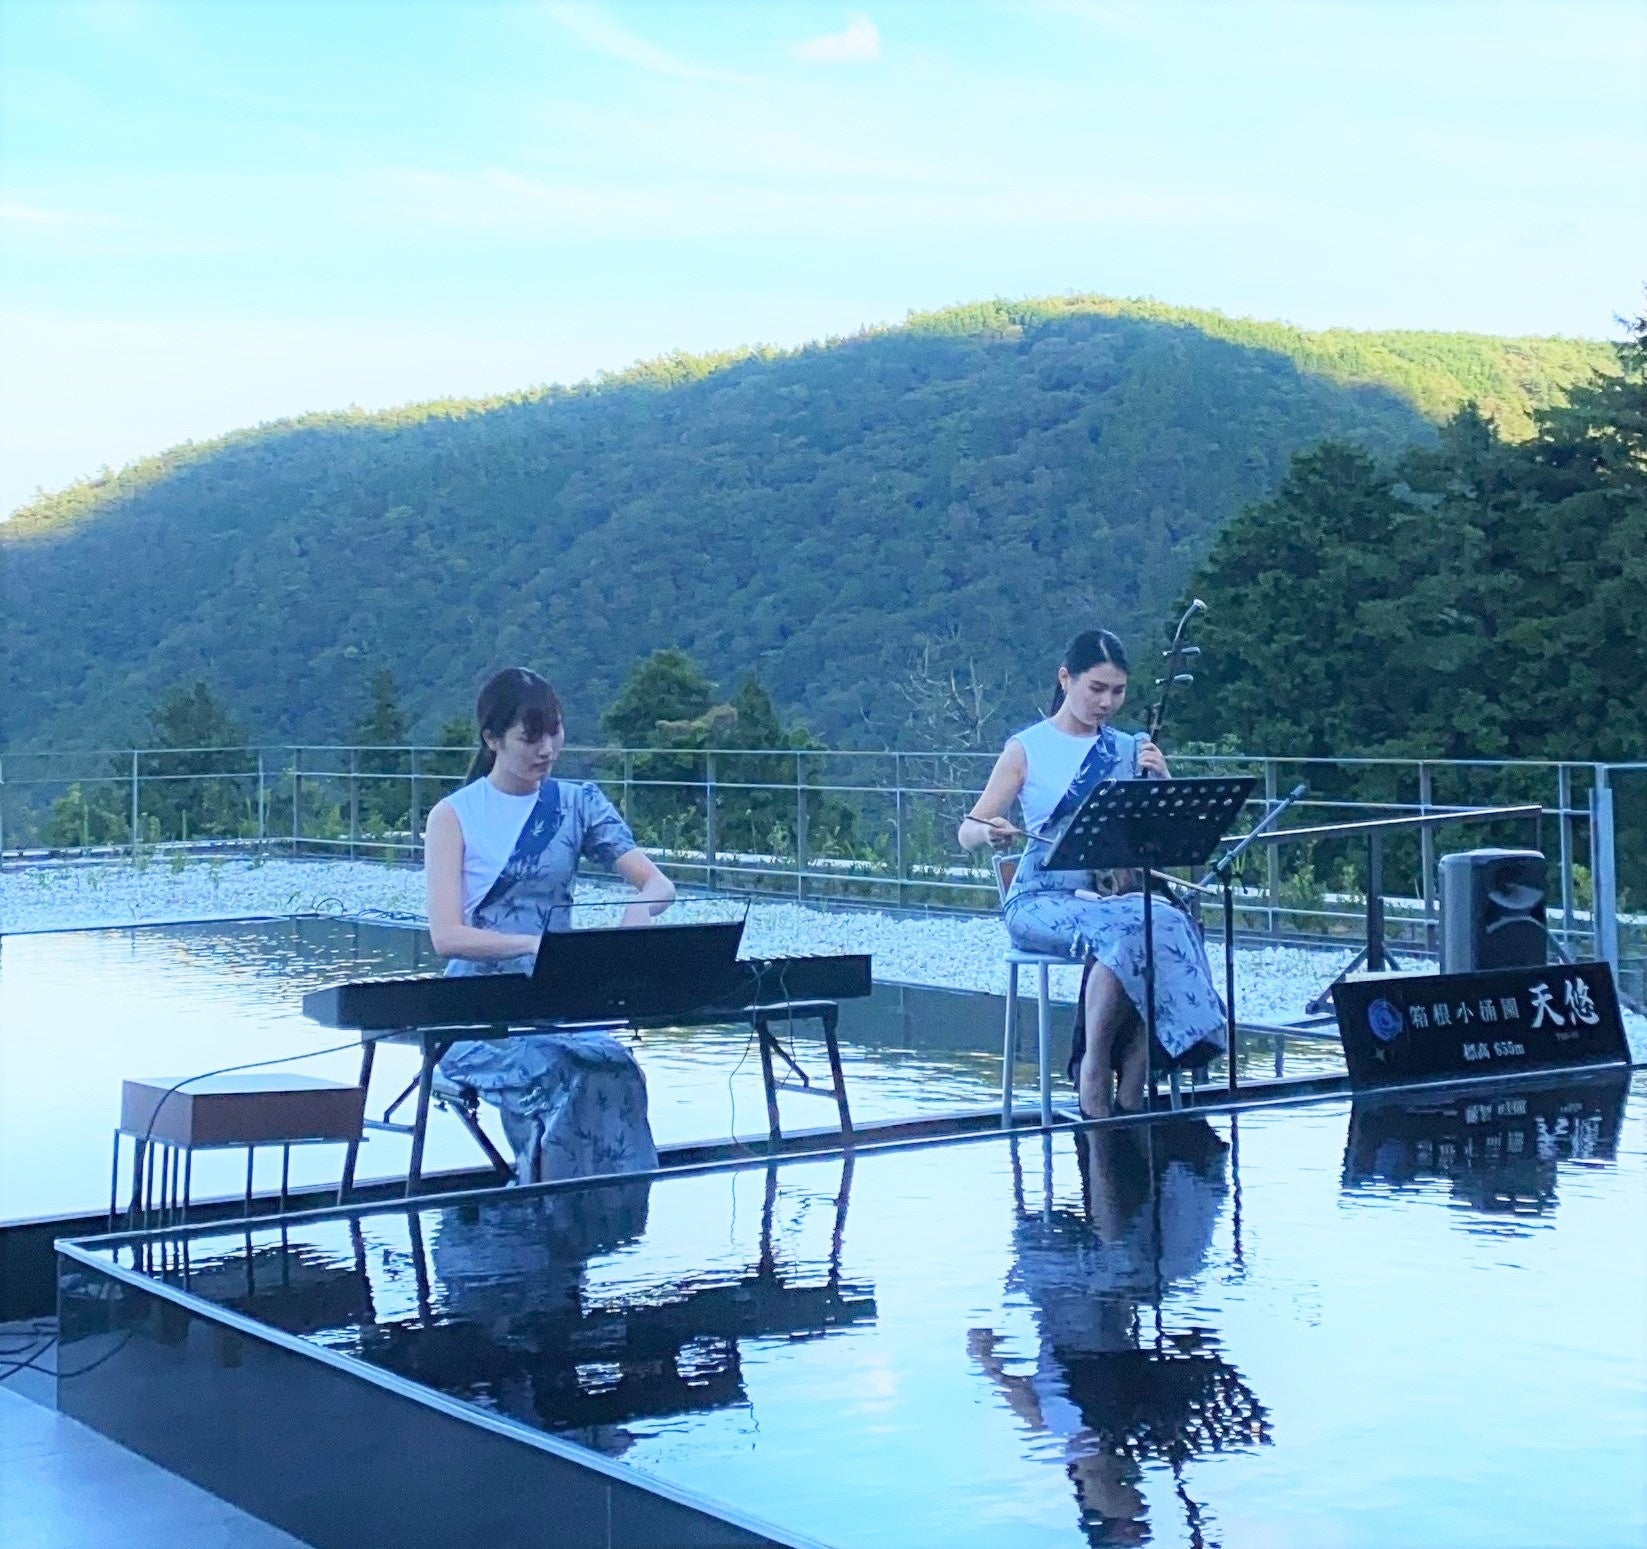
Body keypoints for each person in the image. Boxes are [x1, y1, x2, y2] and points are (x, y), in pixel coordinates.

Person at [958, 629, 1226, 1117]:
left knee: (1166, 920)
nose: (1107, 702)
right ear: (1066, 679)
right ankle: (1094, 1065)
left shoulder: (1129, 748)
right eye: (1096, 689)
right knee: (1127, 931)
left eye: (1117, 691)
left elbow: (1163, 841)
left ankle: (1138, 1073)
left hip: (1114, 896)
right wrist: (992, 832)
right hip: (1042, 896)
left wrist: (1163, 784)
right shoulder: (1027, 748)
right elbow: (967, 829)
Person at [424, 666, 676, 1183]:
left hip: (558, 1002)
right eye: (529, 737)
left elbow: (657, 884)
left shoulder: (577, 803)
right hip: (478, 1015)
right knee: (561, 1074)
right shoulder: (453, 816)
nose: (547, 748)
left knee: (616, 1068)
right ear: (492, 739)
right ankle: (550, 1206)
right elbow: (447, 936)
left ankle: (609, 1209)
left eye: (554, 731)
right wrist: (534, 945)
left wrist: (641, 909)